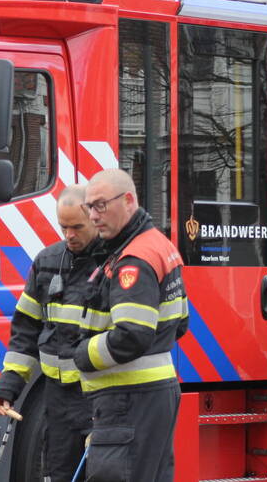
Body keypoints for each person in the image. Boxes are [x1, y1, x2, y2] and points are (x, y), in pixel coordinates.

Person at [72, 169, 188, 482]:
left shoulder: (133, 260)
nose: (94, 216)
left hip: (128, 398)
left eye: (100, 205)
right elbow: (180, 323)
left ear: (127, 201)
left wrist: (83, 354)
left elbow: (132, 335)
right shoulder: (157, 245)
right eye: (89, 208)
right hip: (153, 395)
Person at [0, 185, 104, 482]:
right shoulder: (47, 261)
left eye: (77, 227)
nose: (69, 235)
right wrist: (9, 386)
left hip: (99, 396)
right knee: (57, 473)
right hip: (58, 396)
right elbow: (26, 328)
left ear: (95, 219)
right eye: (63, 227)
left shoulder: (113, 265)